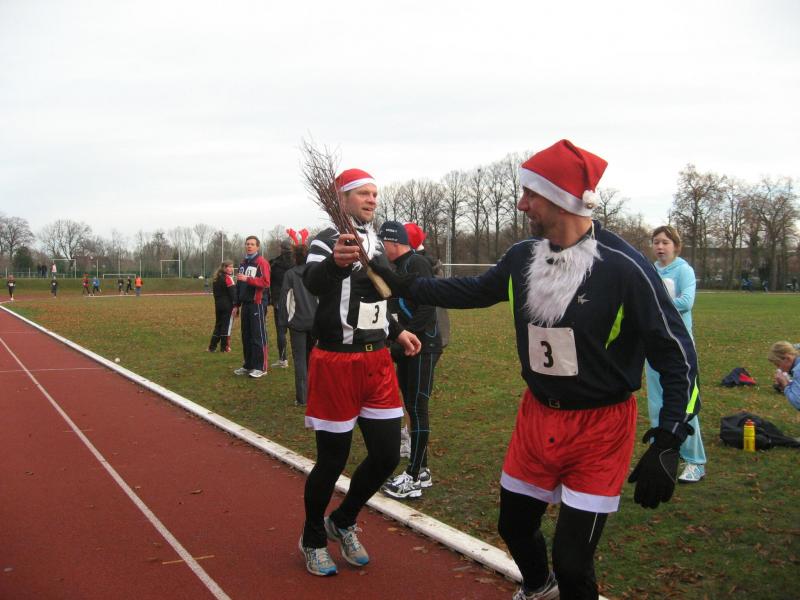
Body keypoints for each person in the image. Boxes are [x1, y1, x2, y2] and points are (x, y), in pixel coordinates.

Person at [370, 140, 700, 600]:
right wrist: (405, 283)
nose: (522, 204)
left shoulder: (626, 267)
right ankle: (539, 587)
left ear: (562, 199)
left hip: (600, 427)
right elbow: (475, 291)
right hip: (537, 416)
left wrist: (669, 439)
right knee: (513, 525)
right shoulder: (523, 255)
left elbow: (677, 355)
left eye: (531, 194)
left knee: (573, 561)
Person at [298, 168, 421, 577]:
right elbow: (314, 282)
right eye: (364, 193)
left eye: (374, 194)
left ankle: (344, 519)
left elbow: (377, 300)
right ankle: (313, 538)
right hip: (337, 362)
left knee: (387, 455)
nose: (372, 200)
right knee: (332, 460)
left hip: (377, 362)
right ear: (343, 198)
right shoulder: (326, 240)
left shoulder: (375, 242)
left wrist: (397, 331)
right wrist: (335, 263)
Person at [378, 221, 442, 499]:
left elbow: (428, 305)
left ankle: (414, 475)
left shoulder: (416, 263)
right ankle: (421, 469)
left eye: (383, 243)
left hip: (423, 346)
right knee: (411, 405)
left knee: (417, 407)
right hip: (408, 346)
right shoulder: (397, 267)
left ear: (394, 242)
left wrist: (409, 336)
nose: (381, 248)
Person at [645, 226, 707, 483]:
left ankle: (695, 462)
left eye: (665, 242)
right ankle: (664, 452)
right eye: (656, 242)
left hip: (680, 349)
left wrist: (655, 305)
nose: (660, 247)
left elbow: (686, 302)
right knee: (657, 404)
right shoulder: (650, 270)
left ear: (676, 246)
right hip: (654, 345)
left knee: (684, 406)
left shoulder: (684, 270)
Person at [278, 243, 318, 406]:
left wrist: (282, 324)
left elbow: (284, 300)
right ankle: (315, 394)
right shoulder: (316, 273)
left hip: (298, 323)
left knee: (300, 360)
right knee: (314, 359)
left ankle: (302, 398)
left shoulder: (290, 274)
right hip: (315, 323)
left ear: (295, 257)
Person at [232, 236, 271, 378]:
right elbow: (239, 285)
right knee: (246, 336)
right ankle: (248, 365)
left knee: (258, 336)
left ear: (257, 247)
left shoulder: (262, 262)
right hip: (245, 305)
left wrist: (248, 279)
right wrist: (236, 304)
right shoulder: (243, 263)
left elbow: (266, 282)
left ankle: (261, 367)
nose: (249, 246)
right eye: (247, 244)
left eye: (252, 244)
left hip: (257, 304)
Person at [269, 239, 295, 368]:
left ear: (281, 249)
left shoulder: (274, 264)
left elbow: (270, 282)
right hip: (295, 300)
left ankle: (283, 359)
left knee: (281, 331)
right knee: (296, 330)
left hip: (279, 300)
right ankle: (299, 358)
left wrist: (273, 299)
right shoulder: (298, 262)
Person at [208, 261, 237, 353]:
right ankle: (224, 347)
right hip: (227, 306)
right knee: (226, 326)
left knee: (218, 325)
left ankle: (212, 347)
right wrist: (236, 305)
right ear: (224, 268)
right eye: (230, 267)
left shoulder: (216, 278)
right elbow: (233, 293)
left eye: (232, 267)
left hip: (218, 305)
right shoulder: (228, 278)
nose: (232, 269)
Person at [768, 341, 800, 410]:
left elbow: (798, 403)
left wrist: (785, 385)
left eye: (778, 365)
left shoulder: (798, 371)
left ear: (788, 358)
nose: (779, 369)